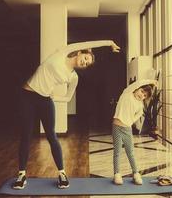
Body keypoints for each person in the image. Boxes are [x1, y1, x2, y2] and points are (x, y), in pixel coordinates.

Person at [12, 40, 120, 190]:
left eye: (87, 64)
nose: (84, 63)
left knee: (52, 136)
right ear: (81, 52)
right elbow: (90, 43)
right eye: (86, 58)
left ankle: (62, 174)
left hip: (45, 100)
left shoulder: (73, 77)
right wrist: (109, 43)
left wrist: (53, 98)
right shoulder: (63, 52)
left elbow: (68, 97)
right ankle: (21, 175)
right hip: (27, 96)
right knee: (26, 135)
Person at [112, 79, 157, 185]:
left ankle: (136, 174)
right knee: (117, 152)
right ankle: (117, 174)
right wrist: (151, 81)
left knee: (130, 153)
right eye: (142, 91)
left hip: (127, 129)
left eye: (145, 96)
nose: (142, 96)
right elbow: (138, 83)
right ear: (137, 89)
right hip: (116, 127)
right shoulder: (127, 93)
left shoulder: (140, 105)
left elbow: (139, 114)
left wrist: (130, 121)